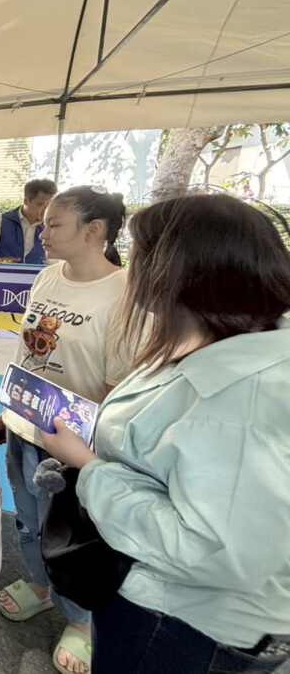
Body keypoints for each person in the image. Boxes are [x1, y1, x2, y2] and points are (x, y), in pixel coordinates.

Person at [40, 194, 290, 674]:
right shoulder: (221, 348)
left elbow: (212, 550)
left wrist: (90, 468)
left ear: (182, 273)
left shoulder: (240, 403)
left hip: (180, 626)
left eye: (141, 258)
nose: (132, 271)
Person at [0, 185, 131, 674]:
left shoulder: (125, 292)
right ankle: (41, 586)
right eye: (43, 222)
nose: (42, 232)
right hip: (21, 426)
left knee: (66, 533)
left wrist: (87, 446)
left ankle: (80, 618)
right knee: (28, 520)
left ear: (94, 231)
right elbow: (27, 351)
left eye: (54, 224)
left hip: (72, 445)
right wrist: (8, 407)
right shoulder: (48, 276)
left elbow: (120, 388)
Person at [0, 179, 58, 264]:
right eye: (40, 204)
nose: (46, 210)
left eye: (49, 205)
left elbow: (53, 261)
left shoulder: (52, 228)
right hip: (4, 276)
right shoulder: (2, 221)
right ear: (26, 201)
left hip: (38, 276)